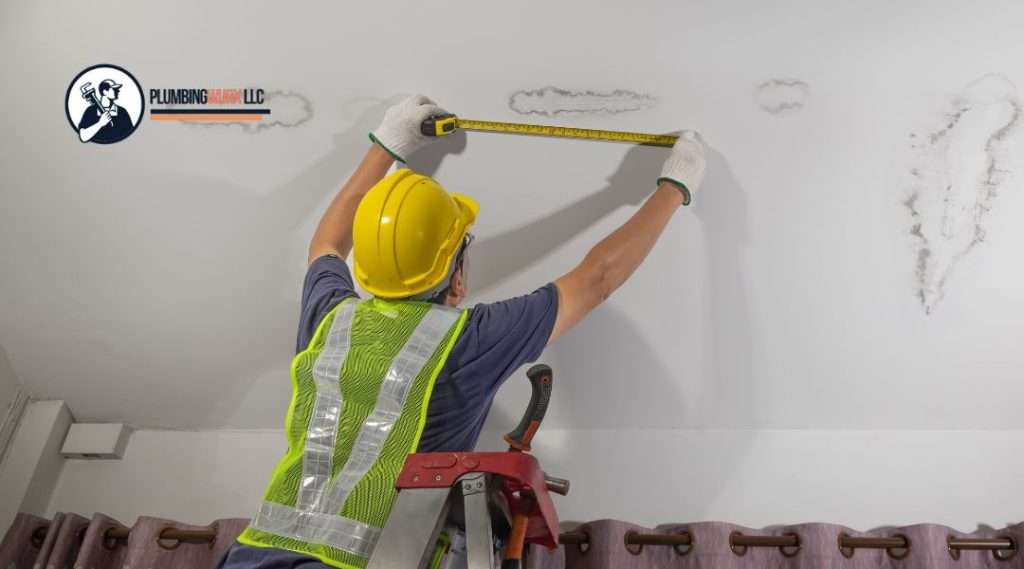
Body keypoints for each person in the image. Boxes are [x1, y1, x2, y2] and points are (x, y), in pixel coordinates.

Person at [217, 95, 706, 569]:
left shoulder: (330, 317)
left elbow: (326, 241)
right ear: (456, 276)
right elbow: (596, 279)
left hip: (252, 555)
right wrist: (675, 185)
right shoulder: (468, 340)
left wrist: (389, 143)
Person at [77, 79, 134, 143]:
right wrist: (100, 123)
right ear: (105, 92)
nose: (118, 91)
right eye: (114, 89)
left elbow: (131, 135)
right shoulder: (91, 111)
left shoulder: (122, 112)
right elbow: (83, 137)